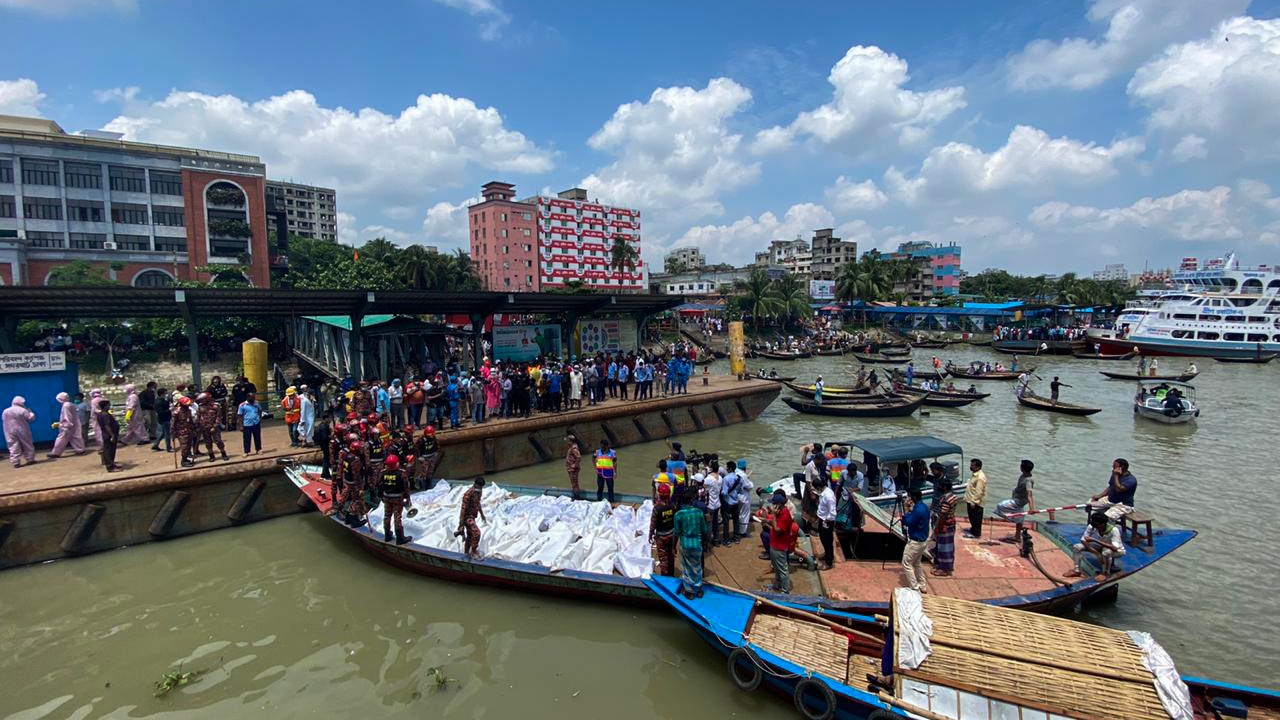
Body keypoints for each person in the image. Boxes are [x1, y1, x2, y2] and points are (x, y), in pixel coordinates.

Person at [1066, 512, 1126, 580]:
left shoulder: (1114, 530)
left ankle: (1106, 573)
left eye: (1097, 526)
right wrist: (1096, 553)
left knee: (1106, 552)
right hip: (1102, 546)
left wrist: (1095, 540)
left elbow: (1114, 548)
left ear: (1103, 524)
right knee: (1077, 547)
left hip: (1117, 550)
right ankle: (1077, 571)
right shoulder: (1092, 526)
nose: (1096, 528)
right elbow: (1083, 540)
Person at [674, 486, 708, 598]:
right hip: (697, 543)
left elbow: (677, 533)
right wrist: (706, 543)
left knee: (686, 567)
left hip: (685, 544)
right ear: (692, 500)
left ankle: (689, 591)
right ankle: (698, 589)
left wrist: (674, 546)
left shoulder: (678, 514)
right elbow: (704, 530)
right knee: (697, 566)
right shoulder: (699, 512)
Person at [996, 459, 1036, 542]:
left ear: (1022, 468)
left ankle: (1011, 518)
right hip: (1016, 498)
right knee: (1020, 520)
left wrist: (1032, 509)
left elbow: (1030, 495)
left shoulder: (1028, 480)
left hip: (1019, 501)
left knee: (1000, 506)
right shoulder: (1022, 476)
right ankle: (1017, 536)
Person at [900, 489, 931, 592]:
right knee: (917, 563)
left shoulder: (918, 510)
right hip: (923, 541)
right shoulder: (924, 507)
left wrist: (905, 509)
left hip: (915, 542)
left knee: (906, 563)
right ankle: (922, 585)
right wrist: (909, 509)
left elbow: (908, 521)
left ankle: (915, 588)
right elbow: (914, 517)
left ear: (913, 497)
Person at [378, 455, 413, 545]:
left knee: (387, 515)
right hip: (398, 498)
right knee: (397, 517)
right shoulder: (401, 473)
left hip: (387, 497)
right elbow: (406, 487)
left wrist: (381, 495)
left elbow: (380, 485)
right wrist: (407, 498)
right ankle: (400, 538)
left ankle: (387, 535)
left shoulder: (383, 472)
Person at [766, 491, 794, 594]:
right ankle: (778, 584)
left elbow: (778, 530)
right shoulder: (780, 512)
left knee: (782, 569)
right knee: (777, 567)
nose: (772, 505)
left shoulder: (785, 515)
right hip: (774, 544)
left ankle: (785, 590)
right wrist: (769, 517)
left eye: (774, 504)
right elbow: (774, 522)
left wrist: (773, 516)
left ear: (779, 505)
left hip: (780, 546)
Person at [931, 475, 957, 577]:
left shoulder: (946, 499)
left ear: (945, 487)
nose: (939, 488)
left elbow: (943, 516)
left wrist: (938, 527)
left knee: (943, 547)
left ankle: (945, 569)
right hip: (951, 524)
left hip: (945, 524)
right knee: (948, 546)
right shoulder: (953, 496)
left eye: (940, 486)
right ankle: (944, 565)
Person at [48, 392, 87, 458]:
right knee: (75, 437)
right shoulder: (70, 404)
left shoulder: (65, 406)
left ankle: (56, 453)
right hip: (74, 424)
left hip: (68, 425)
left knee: (61, 439)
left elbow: (67, 416)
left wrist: (65, 425)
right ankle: (81, 450)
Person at [649, 483, 676, 576]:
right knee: (671, 555)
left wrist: (650, 534)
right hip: (671, 534)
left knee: (663, 558)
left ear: (659, 494)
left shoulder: (657, 508)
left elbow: (653, 523)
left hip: (661, 536)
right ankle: (671, 574)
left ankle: (665, 577)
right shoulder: (673, 506)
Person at [456, 477, 487, 557]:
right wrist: (461, 523)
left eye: (481, 487)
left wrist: (482, 515)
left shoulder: (478, 492)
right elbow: (463, 508)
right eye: (479, 486)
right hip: (467, 517)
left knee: (470, 536)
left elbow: (478, 503)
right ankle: (473, 551)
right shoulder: (468, 494)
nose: (480, 488)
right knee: (477, 533)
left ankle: (466, 553)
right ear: (475, 484)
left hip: (472, 517)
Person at [4, 396, 37, 468]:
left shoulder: (5, 411)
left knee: (13, 445)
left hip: (9, 430)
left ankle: (15, 462)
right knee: (27, 444)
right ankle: (30, 459)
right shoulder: (23, 410)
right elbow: (30, 419)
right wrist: (31, 413)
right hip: (22, 429)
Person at [814, 476, 837, 569]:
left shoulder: (828, 496)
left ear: (819, 487)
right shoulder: (824, 493)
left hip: (826, 521)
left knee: (827, 541)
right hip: (822, 519)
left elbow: (833, 512)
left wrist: (826, 521)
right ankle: (826, 554)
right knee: (823, 539)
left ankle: (829, 562)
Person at [95, 398, 123, 472]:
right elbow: (106, 425)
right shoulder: (105, 415)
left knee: (110, 449)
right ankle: (110, 466)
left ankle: (112, 463)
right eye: (108, 405)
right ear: (105, 406)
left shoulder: (100, 414)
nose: (109, 407)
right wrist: (112, 435)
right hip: (109, 434)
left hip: (106, 434)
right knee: (109, 450)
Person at [963, 458, 987, 539]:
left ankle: (976, 534)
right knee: (972, 517)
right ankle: (973, 529)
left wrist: (974, 502)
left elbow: (979, 492)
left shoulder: (980, 477)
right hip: (970, 500)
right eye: (971, 465)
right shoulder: (975, 474)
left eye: (972, 465)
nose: (971, 467)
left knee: (976, 518)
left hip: (975, 502)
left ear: (978, 467)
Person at [719, 460, 742, 544]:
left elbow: (724, 492)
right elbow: (741, 491)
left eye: (727, 467)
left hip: (727, 502)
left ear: (730, 468)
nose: (726, 468)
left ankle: (726, 539)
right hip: (736, 502)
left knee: (726, 521)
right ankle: (736, 537)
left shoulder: (726, 479)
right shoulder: (739, 478)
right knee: (736, 520)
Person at [150, 389, 173, 453]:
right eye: (165, 393)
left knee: (163, 433)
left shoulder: (161, 400)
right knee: (167, 434)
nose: (166, 394)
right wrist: (169, 410)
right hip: (164, 418)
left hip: (164, 418)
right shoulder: (159, 402)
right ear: (162, 394)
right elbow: (160, 411)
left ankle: (156, 444)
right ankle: (168, 447)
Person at [564, 432, 583, 499]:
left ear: (570, 441)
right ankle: (576, 495)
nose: (566, 442)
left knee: (574, 483)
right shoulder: (571, 447)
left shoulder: (574, 448)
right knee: (573, 483)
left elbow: (578, 457)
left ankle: (577, 497)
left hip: (573, 469)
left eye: (567, 440)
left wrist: (575, 465)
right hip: (570, 468)